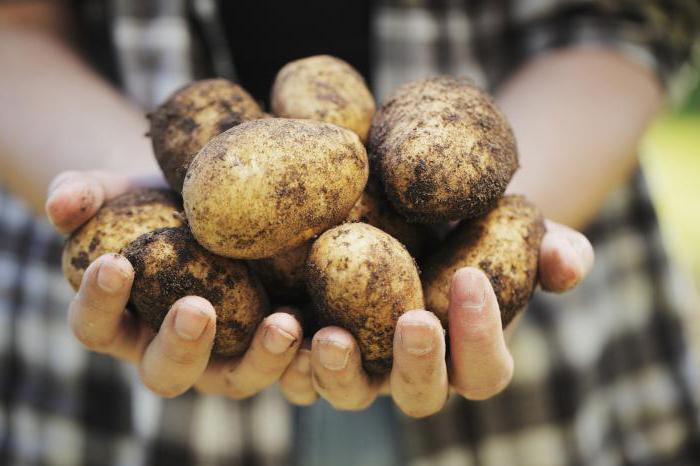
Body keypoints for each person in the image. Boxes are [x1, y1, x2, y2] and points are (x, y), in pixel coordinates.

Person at [1, 1, 698, 465]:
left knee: (363, 247)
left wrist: (519, 200)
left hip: (540, 397)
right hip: (112, 412)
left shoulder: (383, 174)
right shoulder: (232, 182)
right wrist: (133, 186)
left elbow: (627, 18)